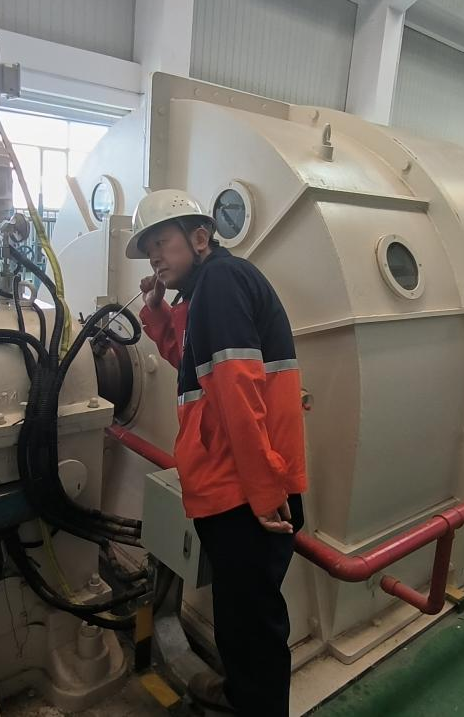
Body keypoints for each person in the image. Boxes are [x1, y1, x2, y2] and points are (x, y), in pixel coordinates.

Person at [126, 189, 308, 716]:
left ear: (200, 237)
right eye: (148, 250)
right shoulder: (205, 292)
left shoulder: (222, 280)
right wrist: (156, 312)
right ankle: (240, 698)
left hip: (245, 494)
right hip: (232, 487)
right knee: (239, 621)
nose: (154, 257)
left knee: (251, 629)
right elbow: (188, 359)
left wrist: (263, 490)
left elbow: (235, 385)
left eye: (161, 242)